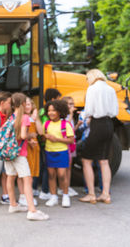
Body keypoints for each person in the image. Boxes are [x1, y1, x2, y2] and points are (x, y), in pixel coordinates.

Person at [5, 92, 49, 221]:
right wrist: (32, 135)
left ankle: (13, 204)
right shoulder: (24, 117)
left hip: (9, 152)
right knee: (27, 180)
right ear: (23, 103)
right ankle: (32, 210)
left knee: (10, 177)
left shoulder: (12, 116)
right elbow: (23, 136)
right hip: (19, 153)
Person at [79, 69, 118, 204]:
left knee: (86, 160)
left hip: (97, 124)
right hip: (109, 124)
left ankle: (91, 194)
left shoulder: (92, 89)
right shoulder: (110, 89)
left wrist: (82, 116)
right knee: (104, 160)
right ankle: (106, 194)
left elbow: (89, 110)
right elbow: (115, 111)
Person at [43, 100, 74, 208]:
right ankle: (53, 197)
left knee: (61, 175)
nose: (51, 113)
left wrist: (56, 139)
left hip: (62, 152)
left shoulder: (66, 124)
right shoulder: (46, 124)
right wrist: (45, 137)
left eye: (54, 110)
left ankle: (65, 195)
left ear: (60, 112)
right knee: (51, 175)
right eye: (49, 110)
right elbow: (43, 137)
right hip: (49, 151)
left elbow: (71, 140)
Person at [33, 88, 62, 200]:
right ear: (53, 99)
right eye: (58, 99)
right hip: (47, 142)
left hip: (40, 142)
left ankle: (34, 188)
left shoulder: (41, 110)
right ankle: (45, 190)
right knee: (47, 166)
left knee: (39, 165)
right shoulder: (48, 112)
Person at [22, 97, 42, 206]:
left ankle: (28, 194)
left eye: (29, 104)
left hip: (34, 147)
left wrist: (36, 118)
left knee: (32, 173)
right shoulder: (22, 118)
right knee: (26, 174)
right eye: (25, 104)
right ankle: (25, 196)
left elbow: (40, 131)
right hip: (26, 147)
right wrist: (29, 140)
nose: (27, 106)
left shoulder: (32, 118)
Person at [60, 96, 79, 197]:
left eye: (73, 104)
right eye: (70, 104)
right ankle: (63, 187)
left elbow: (72, 130)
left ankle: (67, 185)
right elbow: (67, 127)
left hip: (72, 142)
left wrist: (78, 125)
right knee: (65, 166)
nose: (72, 106)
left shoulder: (70, 116)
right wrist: (71, 114)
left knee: (69, 167)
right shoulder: (65, 117)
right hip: (66, 143)